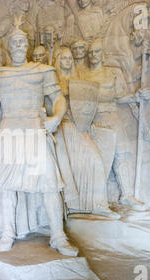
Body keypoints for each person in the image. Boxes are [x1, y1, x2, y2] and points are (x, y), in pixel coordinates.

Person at [0, 26, 79, 256]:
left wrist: (56, 118)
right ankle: (8, 232)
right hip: (9, 132)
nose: (18, 45)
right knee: (7, 187)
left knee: (49, 183)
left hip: (35, 130)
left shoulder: (43, 71)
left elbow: (59, 99)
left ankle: (58, 235)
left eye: (22, 41)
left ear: (27, 45)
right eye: (14, 41)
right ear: (8, 46)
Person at [83, 40, 150, 210]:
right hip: (96, 121)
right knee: (101, 161)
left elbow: (119, 96)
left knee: (122, 156)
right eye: (90, 52)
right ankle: (97, 200)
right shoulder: (84, 76)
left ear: (102, 54)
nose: (93, 55)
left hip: (113, 117)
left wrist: (136, 96)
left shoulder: (112, 73)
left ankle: (127, 195)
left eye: (96, 52)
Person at [54, 48, 119, 218]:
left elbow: (87, 105)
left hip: (79, 126)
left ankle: (99, 204)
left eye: (70, 58)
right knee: (77, 167)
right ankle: (75, 205)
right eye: (64, 58)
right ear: (58, 61)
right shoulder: (54, 84)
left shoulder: (78, 82)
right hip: (64, 128)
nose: (68, 61)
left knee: (96, 161)